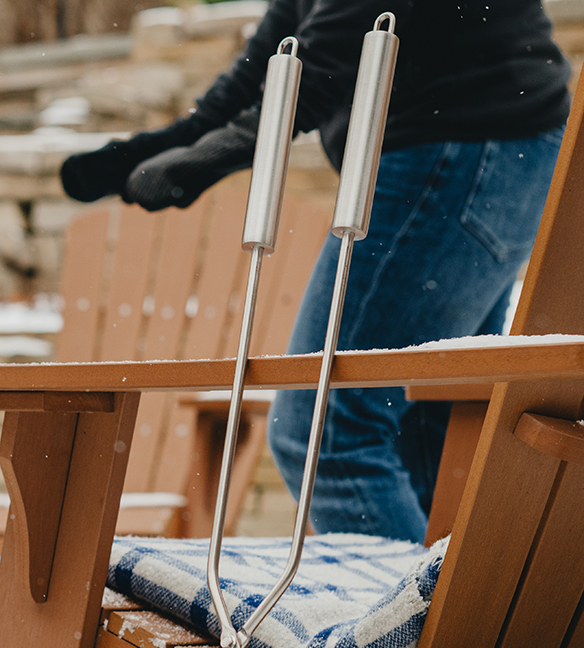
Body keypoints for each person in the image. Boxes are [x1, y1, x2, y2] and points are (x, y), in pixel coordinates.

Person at [59, 1, 571, 542]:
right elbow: (278, 60)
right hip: (492, 152)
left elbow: (332, 53)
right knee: (426, 432)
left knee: (324, 430)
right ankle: (459, 612)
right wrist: (161, 148)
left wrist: (211, 155)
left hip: (459, 149)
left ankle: (409, 625)